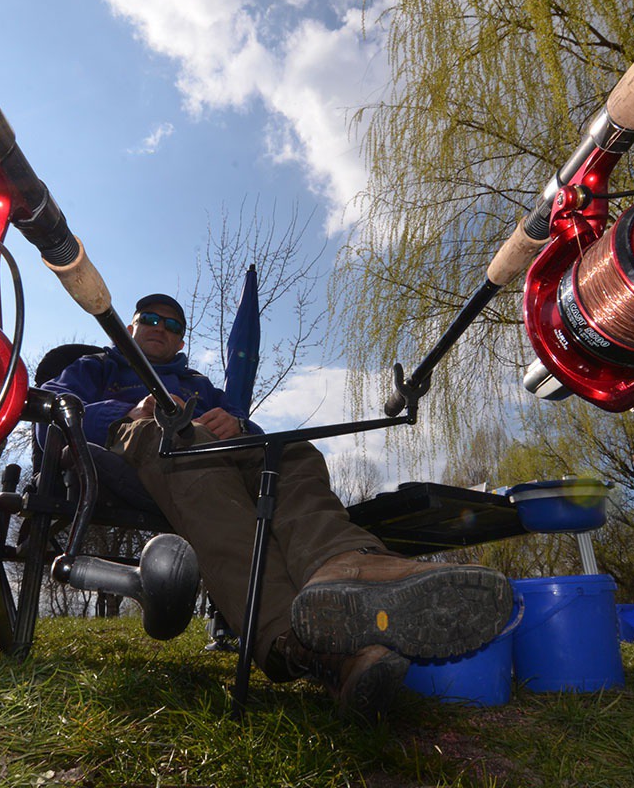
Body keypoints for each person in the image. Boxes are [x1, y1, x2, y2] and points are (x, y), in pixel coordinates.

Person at [40, 293, 514, 719]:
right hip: (136, 448)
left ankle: (347, 571)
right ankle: (291, 638)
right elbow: (48, 410)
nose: (160, 327)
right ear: (132, 325)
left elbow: (244, 428)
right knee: (187, 450)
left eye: (173, 324)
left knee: (289, 451)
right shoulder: (99, 365)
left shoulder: (198, 382)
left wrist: (237, 423)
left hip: (213, 448)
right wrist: (127, 412)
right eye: (149, 318)